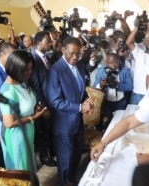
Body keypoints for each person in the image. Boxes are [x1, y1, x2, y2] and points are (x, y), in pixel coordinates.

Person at [44, 36, 93, 186]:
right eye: (71, 53)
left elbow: (81, 90)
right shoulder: (55, 70)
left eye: (78, 54)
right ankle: (64, 182)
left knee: (76, 155)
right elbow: (55, 101)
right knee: (65, 158)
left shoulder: (79, 66)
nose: (74, 57)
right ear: (63, 49)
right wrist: (79, 107)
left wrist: (87, 99)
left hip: (78, 122)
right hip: (63, 124)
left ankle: (72, 180)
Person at [0, 50, 47, 171]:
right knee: (20, 170)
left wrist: (36, 108)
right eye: (26, 69)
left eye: (30, 68)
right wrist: (34, 117)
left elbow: (25, 104)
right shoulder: (8, 91)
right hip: (15, 136)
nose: (29, 72)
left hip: (27, 131)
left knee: (28, 167)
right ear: (15, 67)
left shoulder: (22, 82)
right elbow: (9, 123)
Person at [29, 31, 56, 167]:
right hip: (42, 103)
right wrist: (44, 107)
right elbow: (36, 86)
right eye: (47, 41)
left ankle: (50, 151)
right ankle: (44, 156)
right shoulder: (33, 60)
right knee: (43, 131)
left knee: (49, 129)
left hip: (51, 100)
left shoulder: (46, 58)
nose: (50, 43)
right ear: (38, 43)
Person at [93, 52, 133, 129]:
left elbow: (130, 87)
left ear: (119, 62)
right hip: (106, 101)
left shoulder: (125, 71)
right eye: (110, 63)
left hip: (121, 101)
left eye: (116, 63)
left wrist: (118, 85)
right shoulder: (101, 70)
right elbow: (95, 87)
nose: (113, 65)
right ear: (106, 62)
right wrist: (101, 84)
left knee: (119, 123)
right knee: (107, 123)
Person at [126, 23, 149, 105]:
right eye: (147, 40)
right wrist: (137, 28)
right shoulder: (139, 53)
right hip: (137, 93)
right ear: (144, 42)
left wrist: (148, 31)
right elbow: (128, 42)